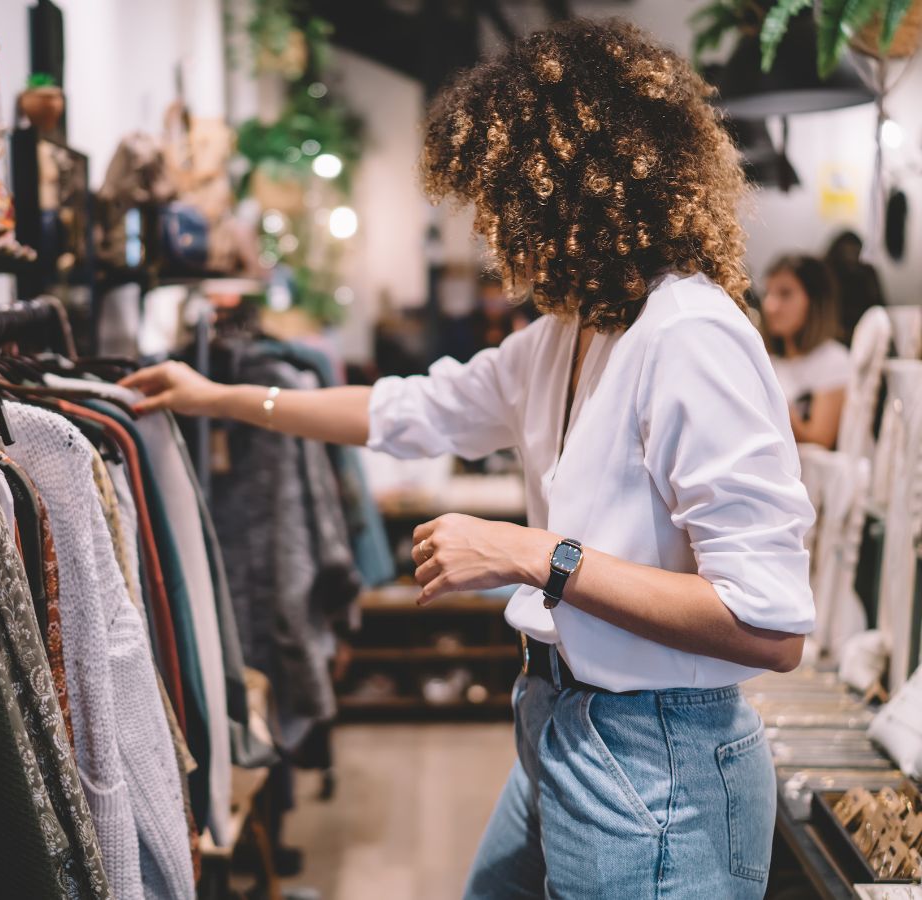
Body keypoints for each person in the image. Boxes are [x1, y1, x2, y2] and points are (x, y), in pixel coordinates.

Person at [123, 19, 813, 900]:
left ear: (569, 192)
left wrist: (533, 555)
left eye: (500, 201)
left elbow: (769, 624)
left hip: (657, 761)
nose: (491, 233)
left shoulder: (692, 338)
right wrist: (216, 397)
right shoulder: (568, 335)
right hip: (561, 721)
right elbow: (408, 409)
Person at [761, 254, 851, 449]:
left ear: (815, 300)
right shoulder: (768, 360)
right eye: (768, 293)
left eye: (785, 294)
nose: (770, 306)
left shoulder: (833, 359)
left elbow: (821, 440)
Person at [825, 230, 884, 344]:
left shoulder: (867, 273)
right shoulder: (827, 272)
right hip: (836, 330)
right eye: (848, 251)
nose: (852, 255)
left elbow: (880, 305)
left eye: (855, 251)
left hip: (866, 327)